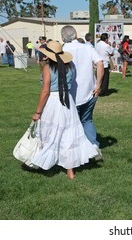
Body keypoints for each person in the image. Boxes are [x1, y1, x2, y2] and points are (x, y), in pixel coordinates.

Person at [30, 40, 100, 180]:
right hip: (68, 101)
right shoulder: (70, 66)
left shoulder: (48, 68)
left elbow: (45, 92)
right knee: (69, 134)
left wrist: (38, 112)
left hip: (54, 102)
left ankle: (45, 162)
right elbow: (71, 82)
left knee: (51, 132)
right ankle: (70, 170)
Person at [61, 25, 104, 158]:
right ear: (76, 34)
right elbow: (100, 63)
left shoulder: (63, 50)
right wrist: (98, 85)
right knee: (87, 120)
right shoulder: (87, 47)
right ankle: (93, 145)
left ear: (63, 37)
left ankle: (76, 149)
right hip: (90, 90)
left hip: (70, 93)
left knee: (72, 122)